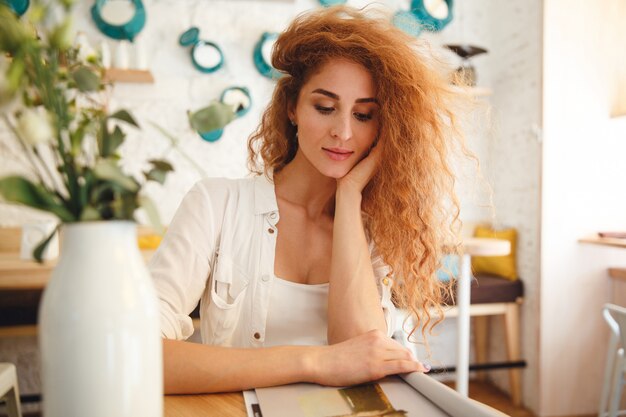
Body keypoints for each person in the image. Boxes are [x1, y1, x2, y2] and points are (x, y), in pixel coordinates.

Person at [150, 5, 465, 394]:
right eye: (325, 107)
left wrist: (349, 198)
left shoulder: (374, 226)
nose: (343, 132)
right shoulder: (216, 204)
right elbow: (142, 355)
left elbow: (361, 350)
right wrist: (314, 362)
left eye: (365, 115)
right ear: (292, 107)